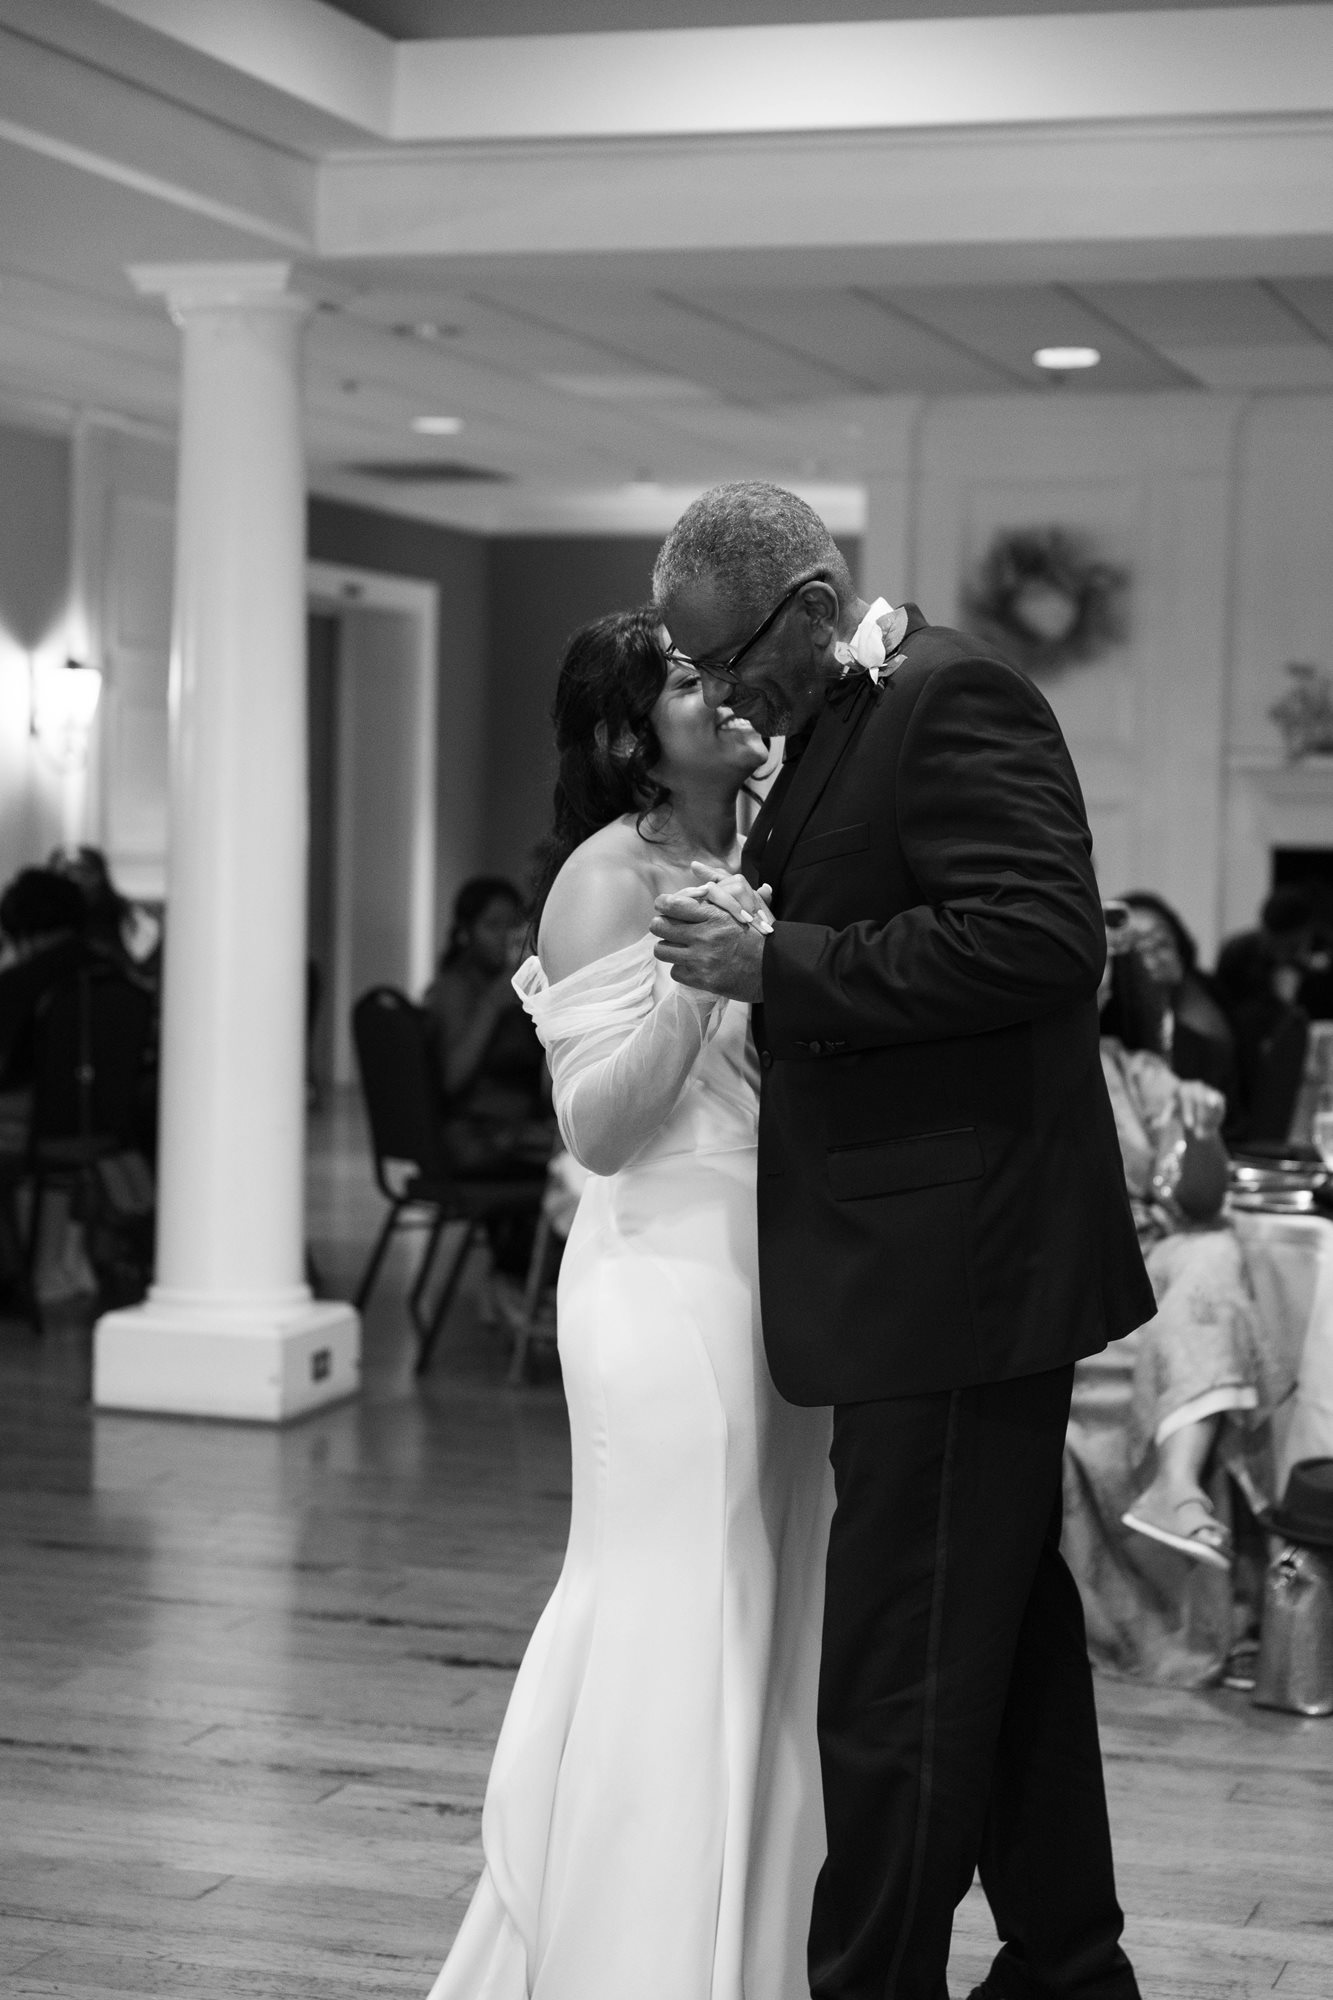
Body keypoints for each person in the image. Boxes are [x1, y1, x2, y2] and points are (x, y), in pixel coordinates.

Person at [649, 482, 1155, 2000]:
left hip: (954, 1271)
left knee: (898, 1684)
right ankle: (1069, 1969)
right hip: (919, 1270)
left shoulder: (953, 697)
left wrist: (780, 963)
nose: (717, 694)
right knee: (1000, 1652)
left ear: (809, 610)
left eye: (726, 660)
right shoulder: (838, 722)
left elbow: (1043, 937)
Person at [425, 610, 833, 2000]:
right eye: (682, 680)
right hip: (665, 1283)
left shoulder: (768, 842)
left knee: (774, 1594)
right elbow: (595, 1132)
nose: (719, 691)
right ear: (625, 740)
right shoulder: (604, 878)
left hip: (777, 1270)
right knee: (678, 1601)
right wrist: (696, 987)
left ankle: (757, 1950)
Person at [1063, 917, 1290, 1685]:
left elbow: (1198, 1199)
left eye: (1100, 965)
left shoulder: (1136, 1070)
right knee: (1214, 1280)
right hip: (1059, 1276)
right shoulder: (1005, 1067)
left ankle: (1176, 1482)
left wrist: (1199, 1130)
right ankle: (1176, 1483)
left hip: (1146, 1267)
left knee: (1212, 1249)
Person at [421, 876, 552, 1277]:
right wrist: (493, 1007)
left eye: (514, 925)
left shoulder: (519, 987)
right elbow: (453, 1079)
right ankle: (526, 1283)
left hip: (511, 1128)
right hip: (476, 1138)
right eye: (492, 926)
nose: (506, 937)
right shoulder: (454, 989)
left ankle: (521, 1279)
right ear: (465, 932)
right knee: (582, 1159)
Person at [1122, 889, 1236, 1114]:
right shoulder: (1099, 1046)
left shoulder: (1210, 1050)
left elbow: (1231, 1127)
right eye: (1135, 943)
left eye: (1161, 942)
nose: (1149, 954)